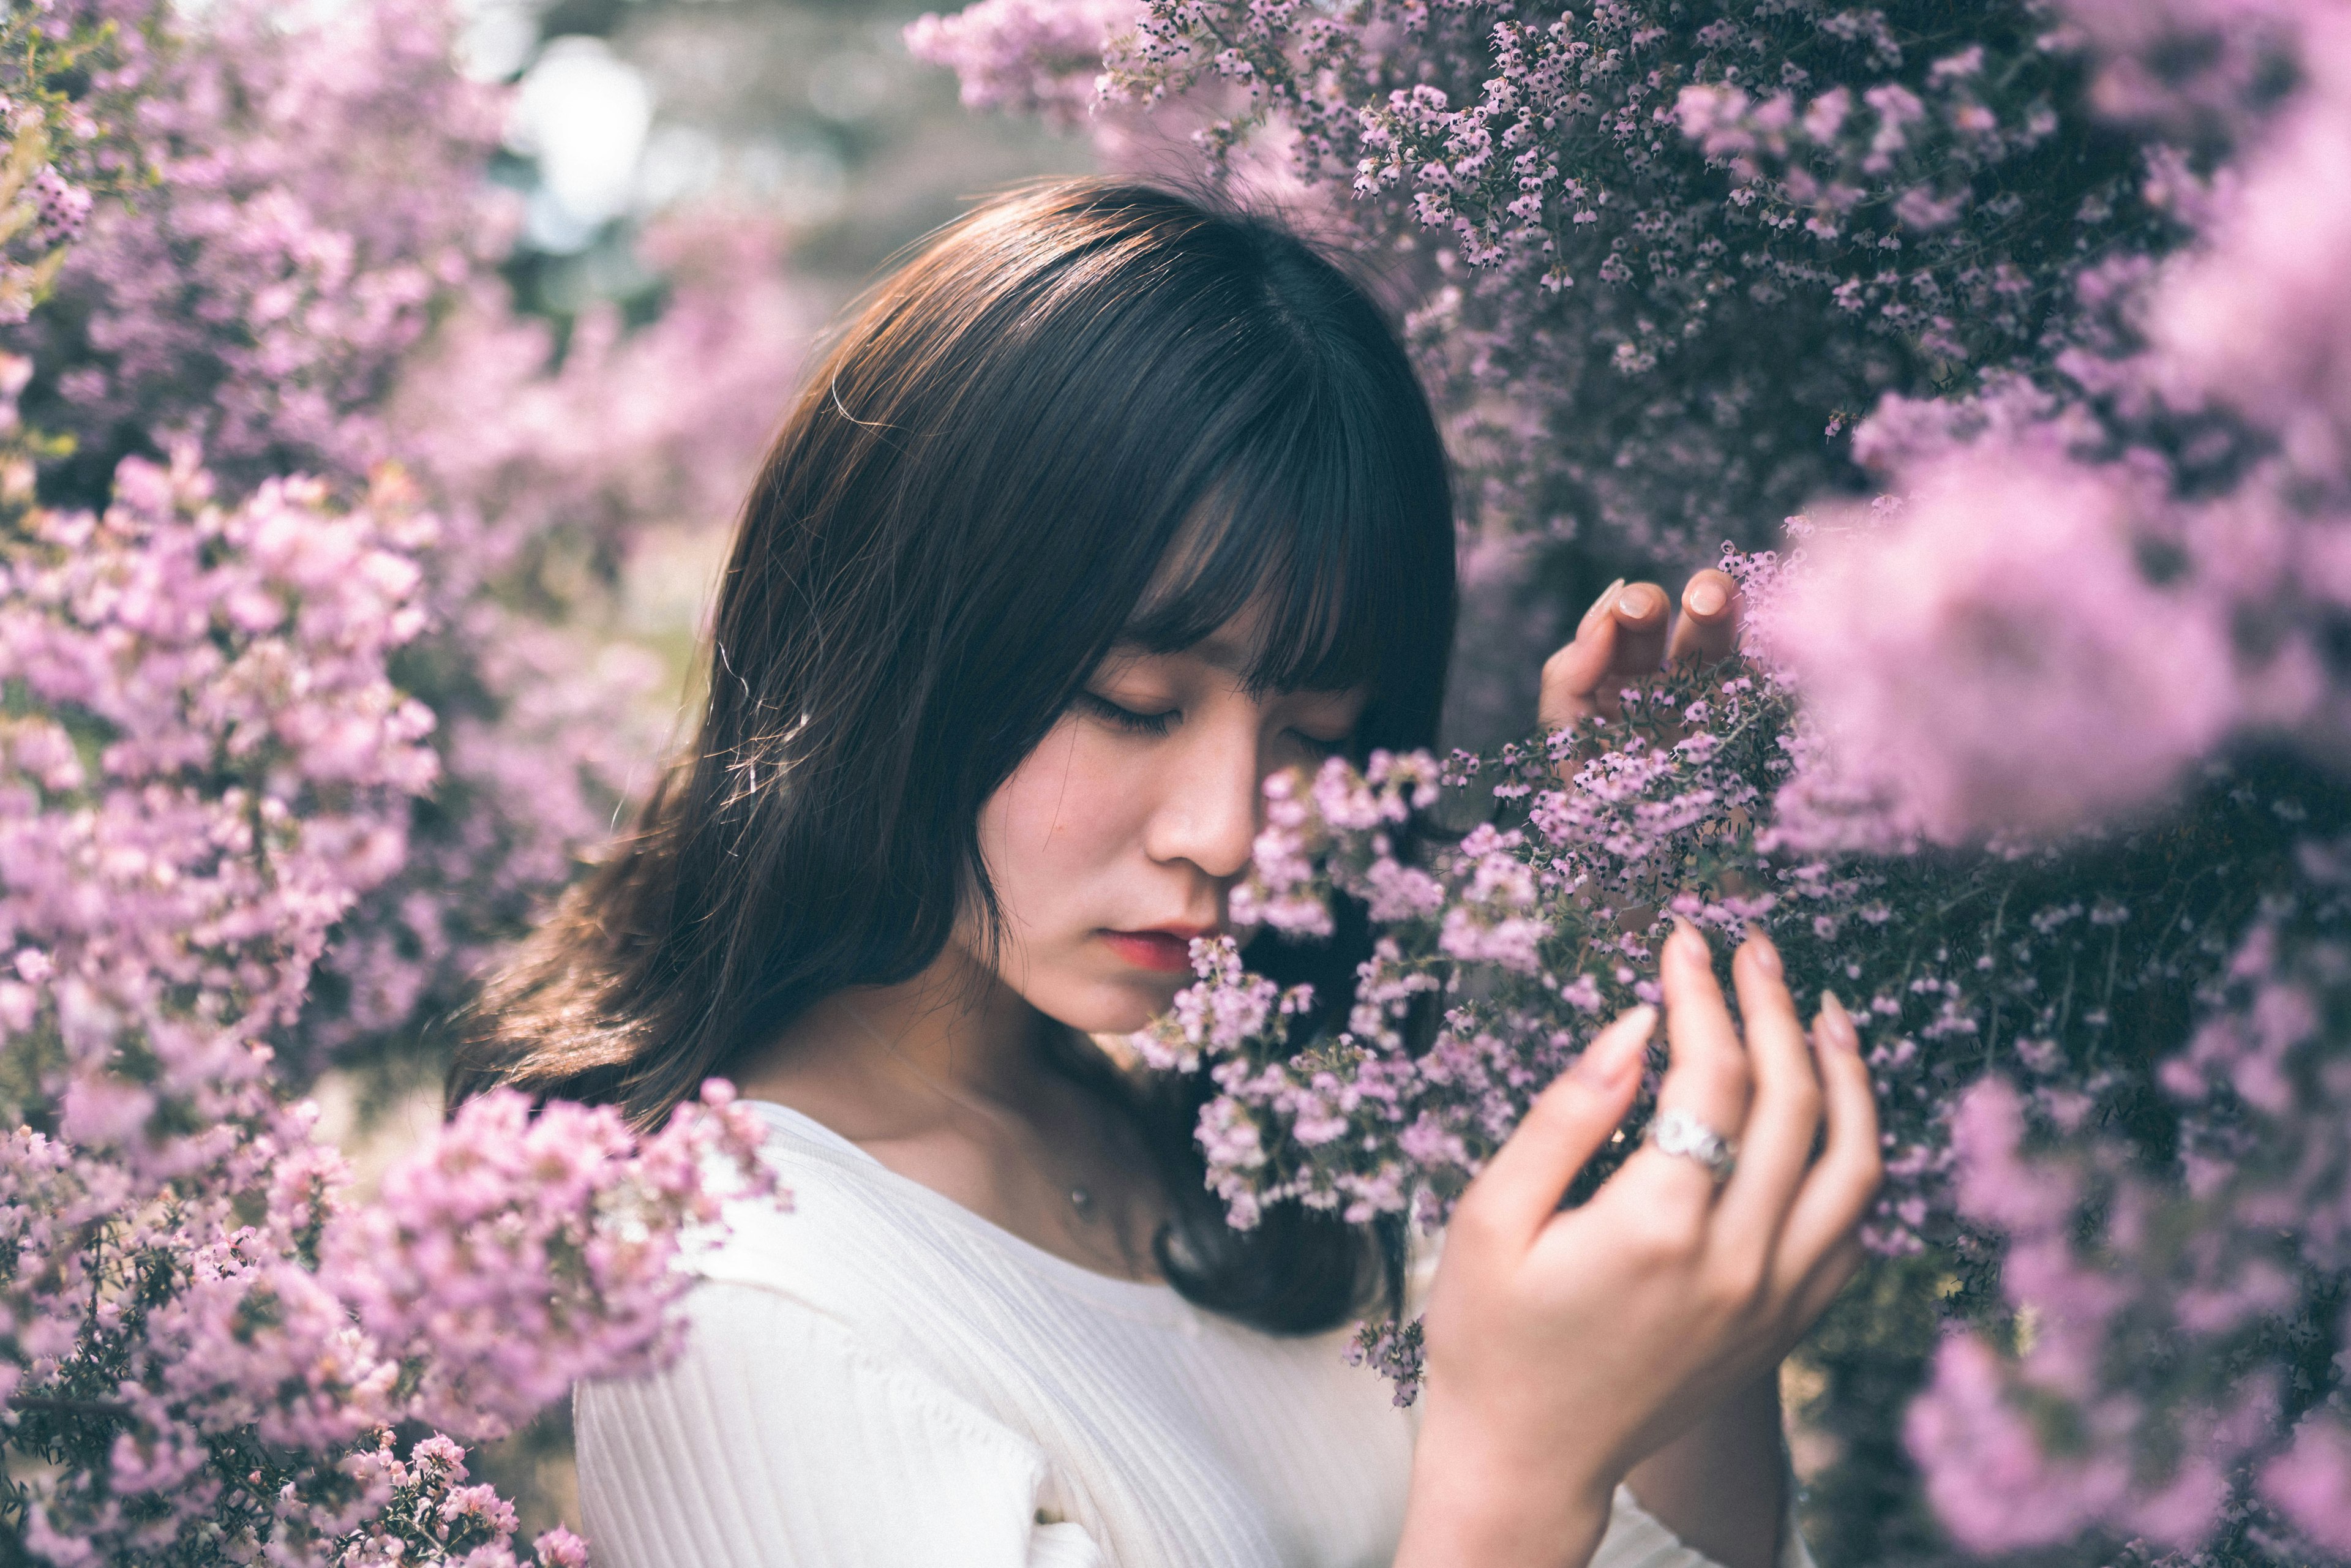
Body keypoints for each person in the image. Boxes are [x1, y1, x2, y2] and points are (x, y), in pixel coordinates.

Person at [452, 180, 1883, 1568]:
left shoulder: (1216, 1130)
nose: (1233, 831)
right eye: (1135, 705)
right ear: (889, 646)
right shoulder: (745, 1296)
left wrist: (1652, 974)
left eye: (1316, 733)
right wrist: (1511, 1477)